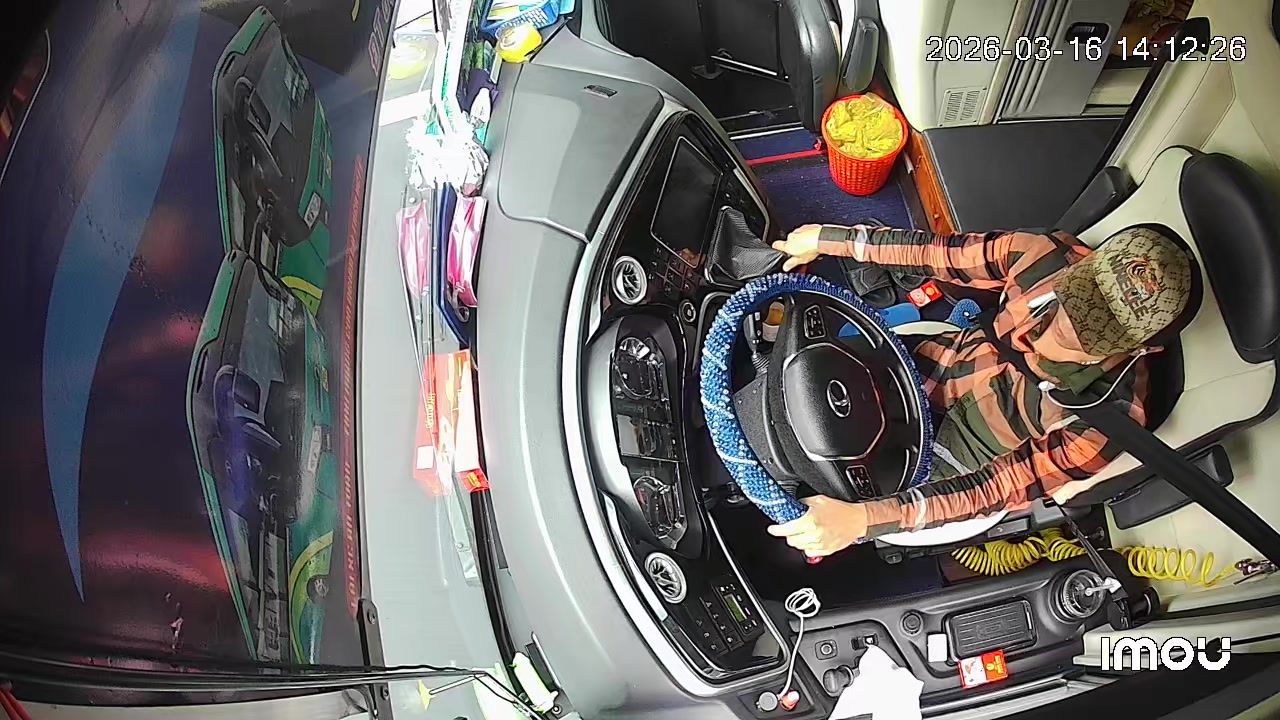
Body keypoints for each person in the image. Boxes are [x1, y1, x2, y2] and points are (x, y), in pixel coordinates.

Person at [766, 223, 1194, 558]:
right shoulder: (1042, 257)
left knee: (817, 508)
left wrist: (862, 520)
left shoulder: (1105, 423)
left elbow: (991, 490)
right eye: (1081, 294)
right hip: (927, 366)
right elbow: (939, 252)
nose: (1064, 323)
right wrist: (828, 240)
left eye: (1096, 328)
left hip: (959, 468)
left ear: (1144, 348)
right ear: (1087, 262)